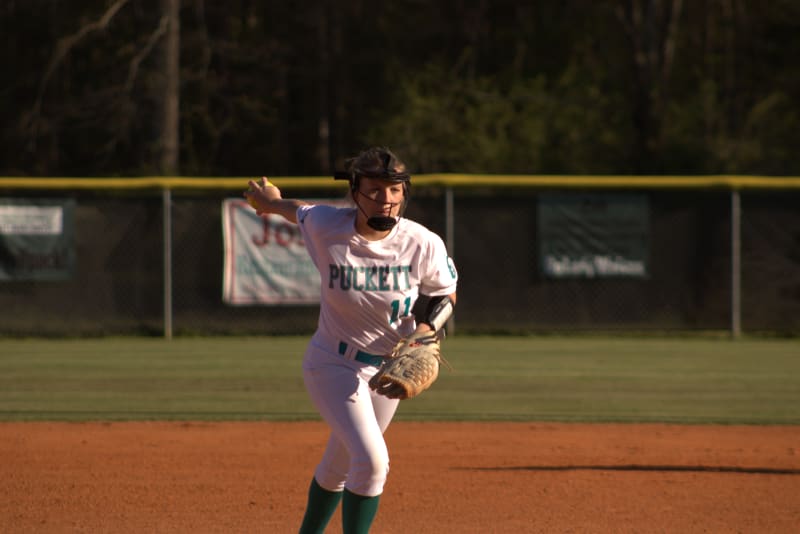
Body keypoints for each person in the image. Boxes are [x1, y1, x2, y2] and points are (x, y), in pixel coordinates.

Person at [244, 146, 458, 533]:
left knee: (340, 463)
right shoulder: (328, 225)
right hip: (332, 363)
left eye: (395, 190)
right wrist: (271, 202)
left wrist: (425, 333)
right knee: (373, 462)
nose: (386, 199)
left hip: (386, 371)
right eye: (375, 189)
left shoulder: (423, 242)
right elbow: (297, 210)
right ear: (355, 190)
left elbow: (446, 295)